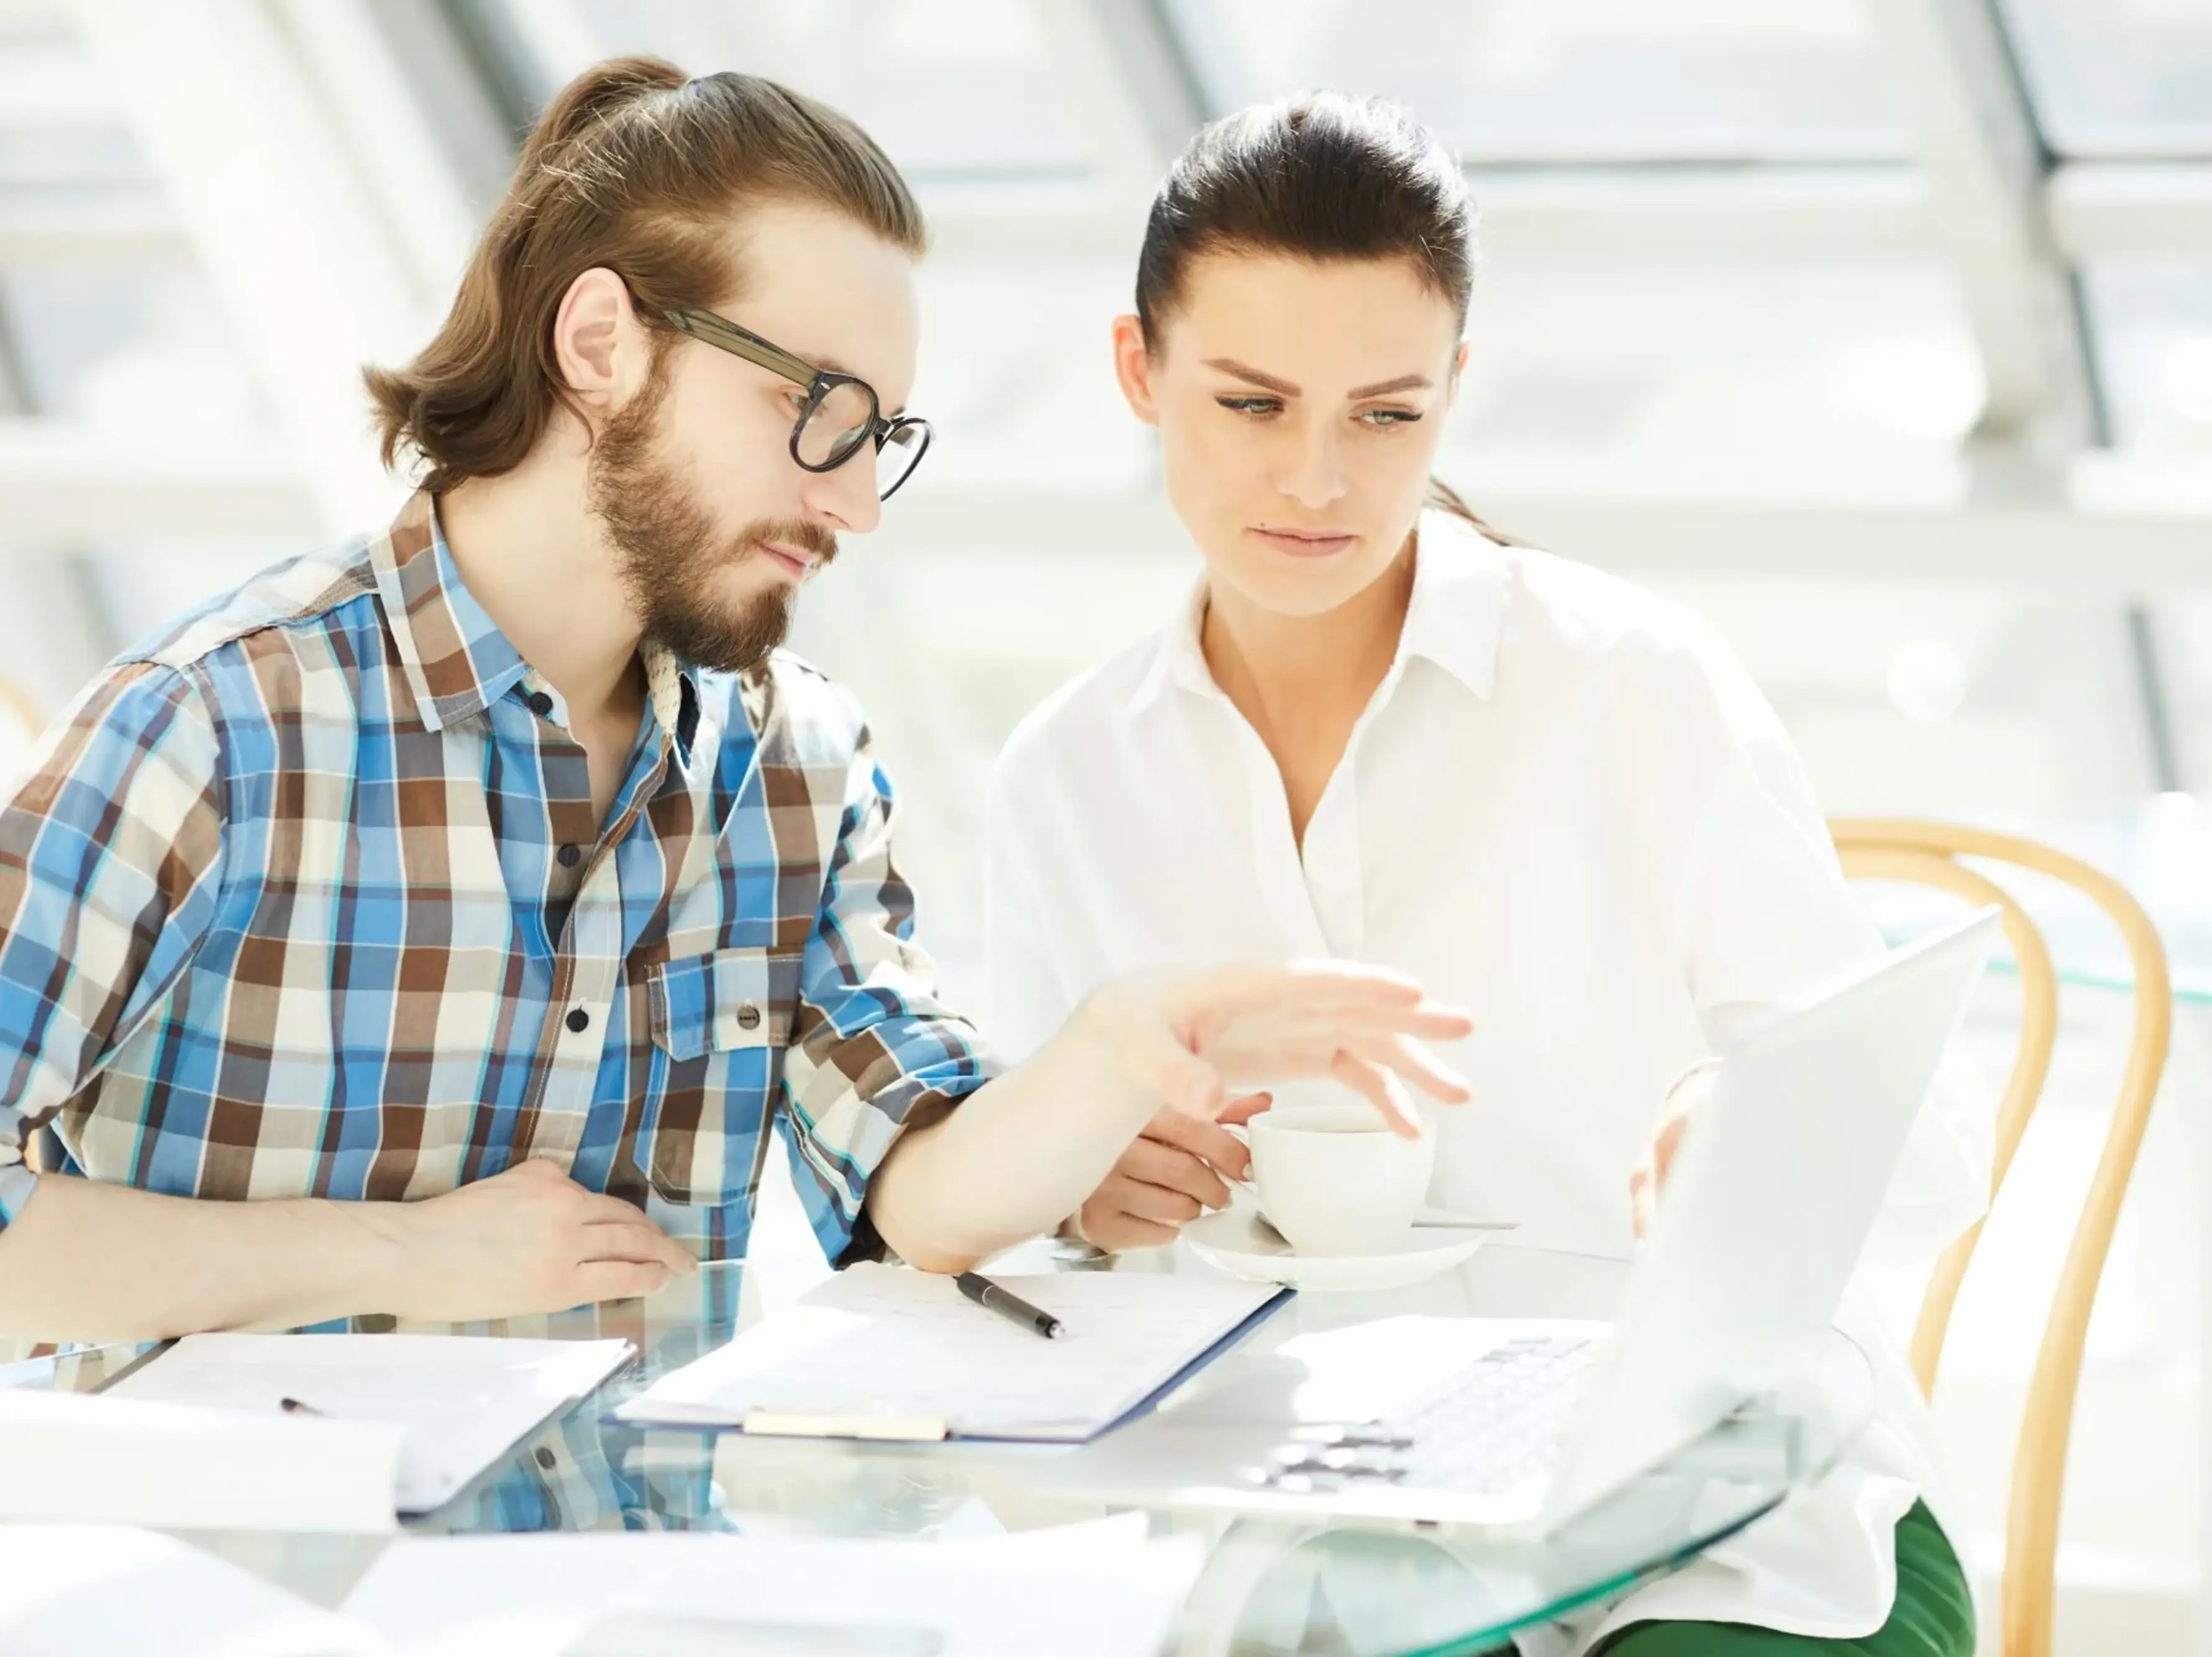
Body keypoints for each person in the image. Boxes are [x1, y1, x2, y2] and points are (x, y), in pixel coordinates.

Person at [0, 60, 1471, 1348]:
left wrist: (1114, 1045)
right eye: (814, 408)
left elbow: (917, 1195)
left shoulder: (795, 768)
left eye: (877, 435)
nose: (853, 503)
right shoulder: (214, 729)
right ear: (599, 345)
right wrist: (397, 1256)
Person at [980, 94, 1987, 1657]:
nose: (1317, 479)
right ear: (1138, 372)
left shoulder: (1631, 680)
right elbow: (1027, 1255)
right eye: (1250, 404)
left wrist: (1754, 1115)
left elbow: (1920, 1143)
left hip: (1725, 1540)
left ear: (1456, 390)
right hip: (1300, 1552)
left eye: (1384, 413)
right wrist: (1092, 1194)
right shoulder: (1066, 778)